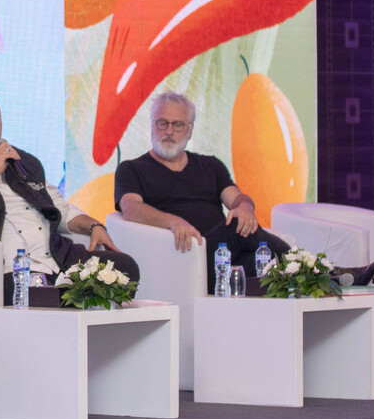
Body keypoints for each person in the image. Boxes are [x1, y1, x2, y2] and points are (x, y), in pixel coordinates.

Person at [0, 89, 138, 303]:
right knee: (43, 297)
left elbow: (58, 208)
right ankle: (68, 301)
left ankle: (70, 301)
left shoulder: (23, 161)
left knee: (126, 269)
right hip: (8, 271)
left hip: (58, 260)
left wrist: (93, 226)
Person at [114, 91, 290, 291]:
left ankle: (295, 271)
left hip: (222, 258)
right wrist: (173, 222)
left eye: (177, 125)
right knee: (235, 226)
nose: (169, 131)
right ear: (152, 126)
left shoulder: (211, 166)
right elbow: (131, 208)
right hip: (183, 256)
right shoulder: (131, 169)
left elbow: (237, 199)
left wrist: (246, 208)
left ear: (189, 130)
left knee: (265, 263)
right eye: (162, 123)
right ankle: (299, 263)